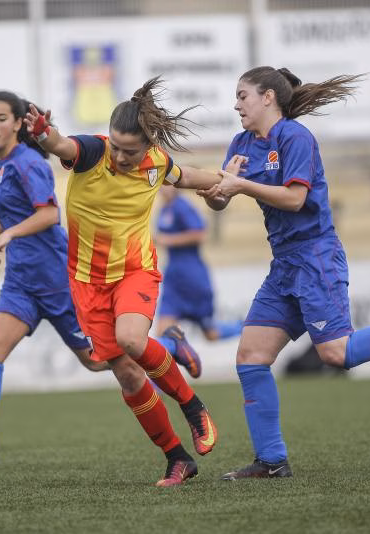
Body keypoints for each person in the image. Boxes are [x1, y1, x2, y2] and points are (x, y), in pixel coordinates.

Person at [196, 67, 370, 480]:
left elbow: (294, 199)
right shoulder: (240, 143)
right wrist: (216, 194)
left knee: (335, 354)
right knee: (251, 357)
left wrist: (238, 185)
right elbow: (222, 197)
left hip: (315, 257)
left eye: (242, 95)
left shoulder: (296, 137)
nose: (236, 104)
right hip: (284, 264)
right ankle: (271, 462)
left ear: (268, 97)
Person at [24, 76, 225, 487]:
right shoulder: (93, 152)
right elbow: (64, 145)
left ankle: (193, 407)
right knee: (128, 374)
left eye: (129, 150)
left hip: (134, 271)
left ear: (148, 146)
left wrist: (230, 181)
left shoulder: (156, 164)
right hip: (86, 282)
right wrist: (45, 133)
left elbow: (188, 177)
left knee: (133, 341)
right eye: (115, 145)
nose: (119, 155)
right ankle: (177, 458)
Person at [0, 90, 108, 467]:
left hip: (57, 278)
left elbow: (48, 214)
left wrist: (8, 235)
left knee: (97, 361)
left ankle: (168, 346)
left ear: (18, 123)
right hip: (21, 284)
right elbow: (11, 210)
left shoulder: (29, 162)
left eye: (1, 118)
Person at [154, 185, 243, 377]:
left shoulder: (182, 206)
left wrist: (168, 240)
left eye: (167, 184)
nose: (163, 189)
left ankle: (243, 326)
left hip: (193, 278)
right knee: (161, 334)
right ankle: (157, 387)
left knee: (211, 334)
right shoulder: (163, 209)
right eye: (161, 184)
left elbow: (200, 233)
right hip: (173, 279)